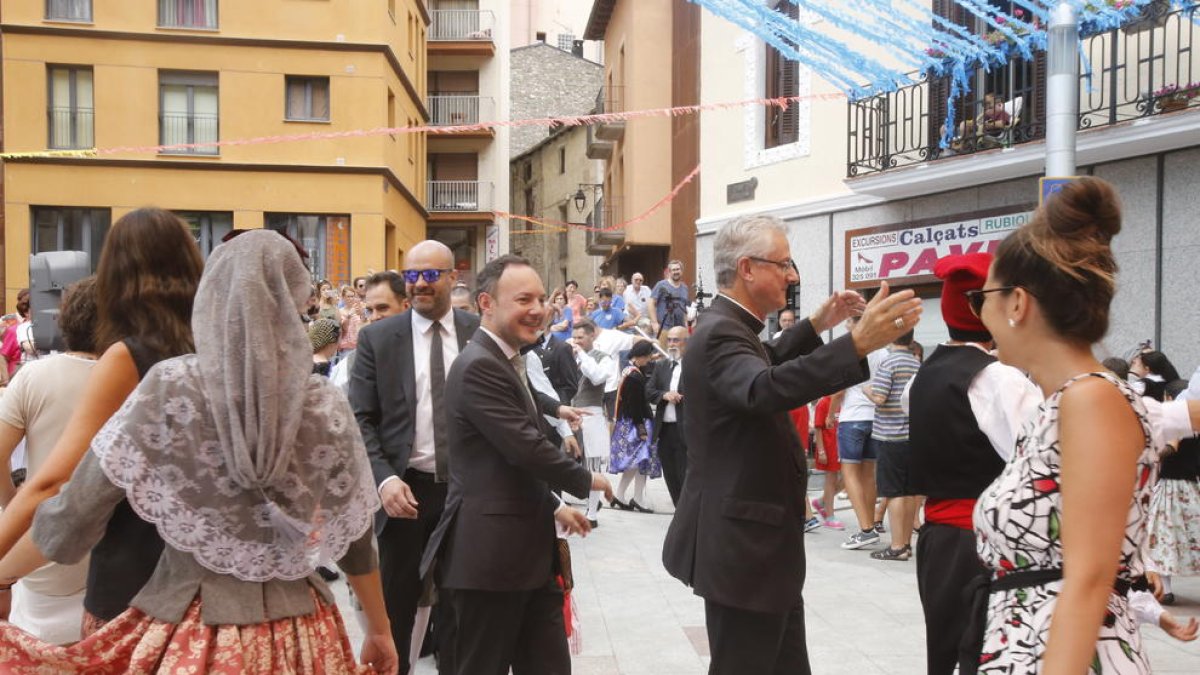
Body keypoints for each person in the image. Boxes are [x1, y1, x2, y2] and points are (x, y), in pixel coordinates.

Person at [0, 230, 398, 673]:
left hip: (192, 635)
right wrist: (379, 629)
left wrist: (4, 573)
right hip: (304, 631)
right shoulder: (323, 402)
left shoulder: (172, 387)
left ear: (210, 295)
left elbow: (76, 512)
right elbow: (356, 539)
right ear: (295, 303)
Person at [661, 214, 921, 675]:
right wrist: (856, 344)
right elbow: (762, 386)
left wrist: (818, 323)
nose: (793, 275)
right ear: (747, 268)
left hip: (755, 547)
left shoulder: (731, 327)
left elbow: (767, 360)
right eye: (783, 264)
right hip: (743, 548)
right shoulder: (721, 331)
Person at [970, 177, 1161, 673]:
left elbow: (1089, 579)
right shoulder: (1062, 404)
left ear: (1017, 303)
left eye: (980, 298)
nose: (980, 314)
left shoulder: (1091, 399)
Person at [0, 208, 204, 637]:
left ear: (115, 276)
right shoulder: (213, 352)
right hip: (204, 582)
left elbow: (54, 481)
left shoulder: (128, 357)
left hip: (134, 581)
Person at [420, 255, 612, 675]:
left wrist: (553, 505)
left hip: (527, 558)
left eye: (541, 299)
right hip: (488, 561)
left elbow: (504, 463)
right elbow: (525, 447)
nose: (538, 309)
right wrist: (587, 479)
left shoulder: (507, 358)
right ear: (486, 303)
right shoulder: (479, 365)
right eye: (524, 299)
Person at [906, 252, 1042, 675]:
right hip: (984, 541)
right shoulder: (1000, 379)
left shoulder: (920, 377)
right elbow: (1038, 463)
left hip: (937, 541)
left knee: (945, 651)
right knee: (985, 656)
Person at [349, 241, 479, 675]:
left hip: (467, 494)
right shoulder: (377, 338)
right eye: (412, 275)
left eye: (430, 275)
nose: (420, 283)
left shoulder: (478, 332)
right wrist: (384, 479)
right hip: (404, 495)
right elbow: (361, 418)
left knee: (462, 612)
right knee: (397, 613)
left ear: (452, 278)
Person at [0, 278, 97, 644]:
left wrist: (14, 505)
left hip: (41, 553)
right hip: (114, 561)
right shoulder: (140, 378)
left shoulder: (34, 376)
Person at [864, 331, 921, 561]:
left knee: (894, 492)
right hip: (912, 436)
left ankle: (897, 547)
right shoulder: (916, 363)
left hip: (890, 435)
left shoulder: (888, 363)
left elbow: (879, 397)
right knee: (908, 492)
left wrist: (867, 390)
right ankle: (906, 543)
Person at [1147, 379, 1200, 606]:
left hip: (1170, 488)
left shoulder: (1176, 428)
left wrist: (1151, 455)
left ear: (1169, 398)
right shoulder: (1196, 428)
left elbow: (1171, 448)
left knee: (1162, 538)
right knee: (1192, 537)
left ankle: (1166, 589)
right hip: (1192, 488)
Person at [838, 317, 889, 550]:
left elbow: (838, 388)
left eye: (848, 320)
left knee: (850, 473)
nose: (845, 324)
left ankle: (866, 529)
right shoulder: (883, 351)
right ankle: (870, 525)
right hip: (874, 416)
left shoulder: (851, 349)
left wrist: (831, 412)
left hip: (852, 416)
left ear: (855, 322)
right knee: (869, 475)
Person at [330, 271, 408, 394]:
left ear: (406, 306)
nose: (374, 317)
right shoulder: (351, 364)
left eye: (383, 308)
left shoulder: (426, 351)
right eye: (370, 310)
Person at [571, 319, 617, 526]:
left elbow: (597, 377)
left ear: (592, 336)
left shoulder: (604, 358)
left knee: (594, 464)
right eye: (574, 337)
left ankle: (592, 513)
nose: (576, 341)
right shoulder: (569, 355)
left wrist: (581, 354)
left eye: (580, 337)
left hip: (591, 413)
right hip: (570, 412)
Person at [608, 340, 661, 513]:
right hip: (636, 423)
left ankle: (624, 495)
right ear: (640, 356)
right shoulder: (634, 376)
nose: (649, 360)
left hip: (629, 421)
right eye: (648, 357)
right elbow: (635, 405)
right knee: (639, 461)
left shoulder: (629, 370)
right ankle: (636, 497)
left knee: (636, 462)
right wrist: (641, 428)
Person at [647, 326, 688, 506]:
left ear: (686, 342)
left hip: (685, 430)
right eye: (669, 340)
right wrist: (664, 395)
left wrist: (681, 397)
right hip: (665, 430)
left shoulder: (694, 366)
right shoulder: (662, 365)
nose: (671, 344)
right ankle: (679, 509)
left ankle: (686, 512)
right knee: (670, 474)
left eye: (676, 340)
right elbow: (649, 391)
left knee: (685, 473)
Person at [811, 393, 846, 531]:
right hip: (829, 446)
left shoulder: (843, 401)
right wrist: (821, 451)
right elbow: (818, 428)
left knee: (847, 479)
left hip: (842, 445)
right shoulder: (823, 403)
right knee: (831, 479)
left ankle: (821, 501)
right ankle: (830, 516)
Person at [648, 260, 690, 336]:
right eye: (673, 270)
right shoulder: (661, 285)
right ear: (670, 272)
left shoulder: (685, 288)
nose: (676, 272)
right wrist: (654, 322)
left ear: (681, 271)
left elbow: (684, 308)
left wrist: (686, 324)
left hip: (680, 329)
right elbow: (651, 303)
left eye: (678, 269)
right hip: (664, 328)